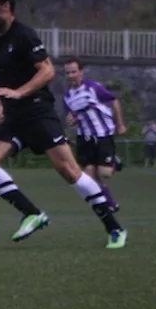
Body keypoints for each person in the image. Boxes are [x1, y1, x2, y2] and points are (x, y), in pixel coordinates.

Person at [0, 0, 126, 248]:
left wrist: (19, 93)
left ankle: (114, 228)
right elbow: (4, 76)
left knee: (69, 171)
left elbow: (47, 71)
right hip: (15, 117)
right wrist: (1, 102)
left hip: (38, 112)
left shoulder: (25, 34)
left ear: (5, 7)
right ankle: (31, 213)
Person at [62, 58, 126, 212]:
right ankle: (110, 203)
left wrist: (120, 124)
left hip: (102, 135)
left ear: (81, 72)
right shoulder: (67, 96)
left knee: (104, 173)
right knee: (89, 176)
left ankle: (115, 162)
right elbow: (71, 118)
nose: (70, 76)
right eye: (67, 73)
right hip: (84, 138)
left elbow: (113, 101)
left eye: (73, 72)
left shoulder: (93, 87)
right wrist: (71, 121)